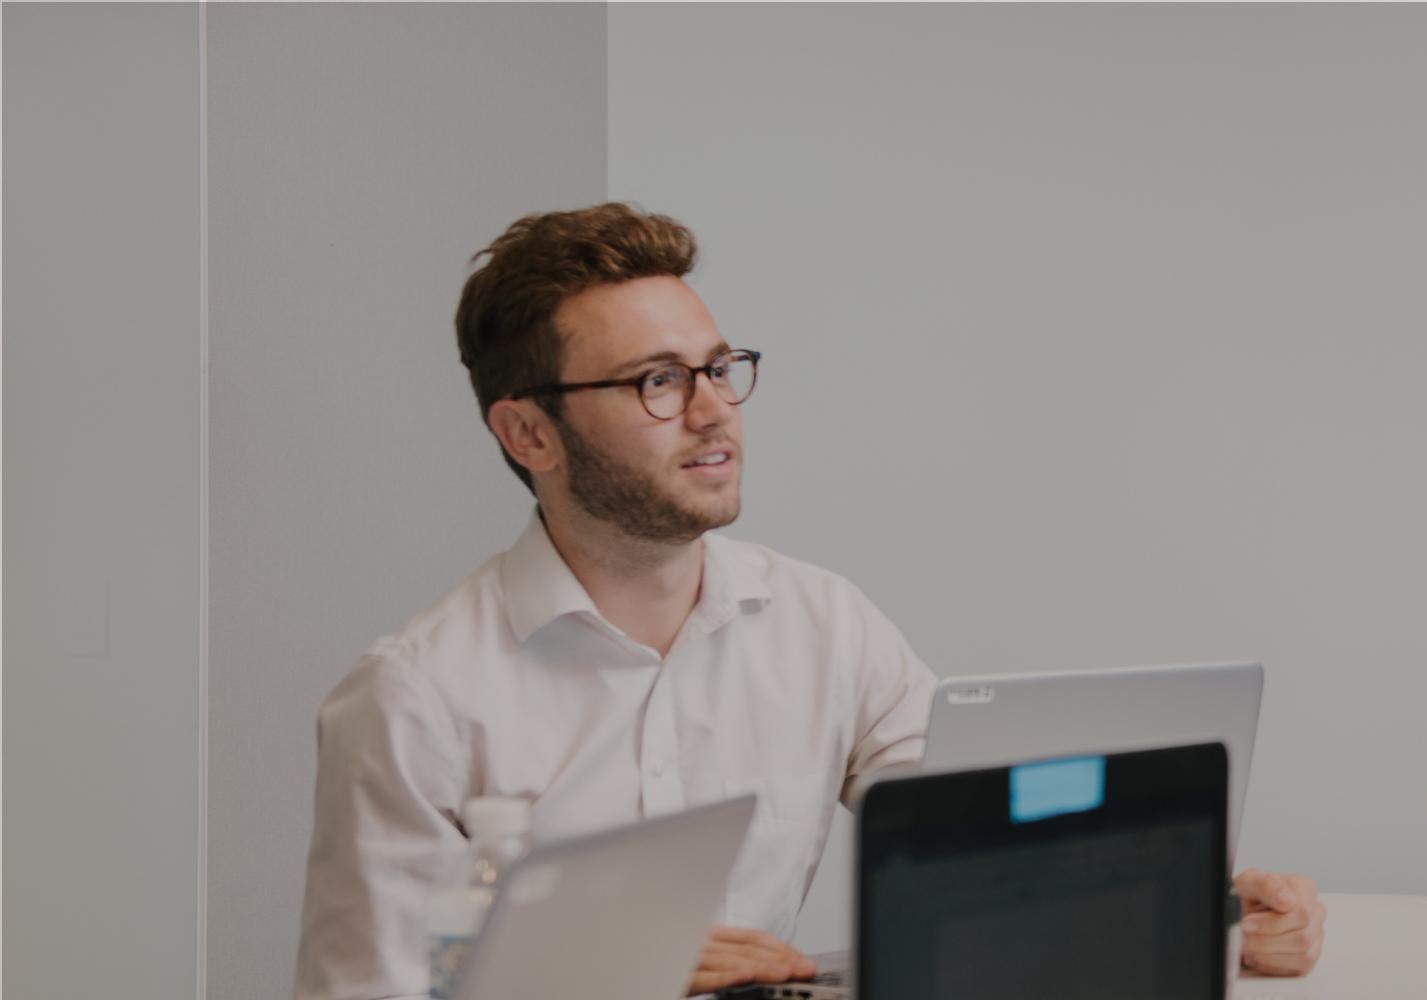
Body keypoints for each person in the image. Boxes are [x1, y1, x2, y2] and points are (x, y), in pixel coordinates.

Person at [294, 204, 1323, 999]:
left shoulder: (821, 621)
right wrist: (601, 974)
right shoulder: (415, 697)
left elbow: (993, 850)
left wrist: (1209, 908)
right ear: (528, 435)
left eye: (717, 367)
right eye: (657, 381)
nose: (712, 411)